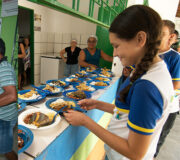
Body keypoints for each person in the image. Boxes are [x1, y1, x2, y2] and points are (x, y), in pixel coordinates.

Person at [64, 5, 174, 160]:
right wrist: (98, 104)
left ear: (140, 39)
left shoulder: (147, 86)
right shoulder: (148, 70)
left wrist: (85, 121)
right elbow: (130, 111)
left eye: (116, 46)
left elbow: (135, 152)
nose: (115, 53)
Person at [154, 20, 180, 158]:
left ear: (171, 37)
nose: (157, 37)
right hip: (153, 105)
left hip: (168, 108)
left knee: (158, 139)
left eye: (161, 34)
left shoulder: (175, 58)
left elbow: (176, 85)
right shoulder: (151, 54)